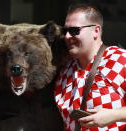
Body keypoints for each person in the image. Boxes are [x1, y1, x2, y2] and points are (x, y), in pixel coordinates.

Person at [54, 3, 126, 131]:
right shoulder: (65, 69)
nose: (67, 37)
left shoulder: (120, 59)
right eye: (65, 31)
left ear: (96, 31)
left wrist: (115, 115)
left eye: (74, 30)